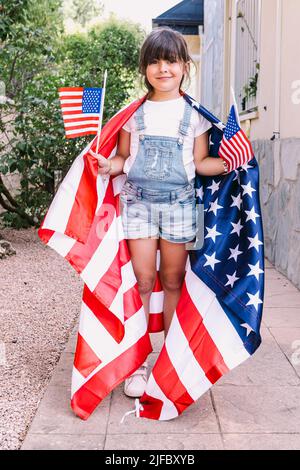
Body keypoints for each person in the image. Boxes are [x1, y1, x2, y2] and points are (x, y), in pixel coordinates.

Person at [89, 27, 229, 399]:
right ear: (145, 68)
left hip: (182, 206)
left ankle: (168, 361)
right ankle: (138, 363)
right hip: (137, 204)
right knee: (142, 281)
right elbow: (122, 158)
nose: (162, 68)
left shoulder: (195, 115)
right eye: (154, 61)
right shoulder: (133, 114)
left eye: (170, 61)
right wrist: (109, 165)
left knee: (172, 282)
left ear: (185, 66)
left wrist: (231, 161)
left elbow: (200, 164)